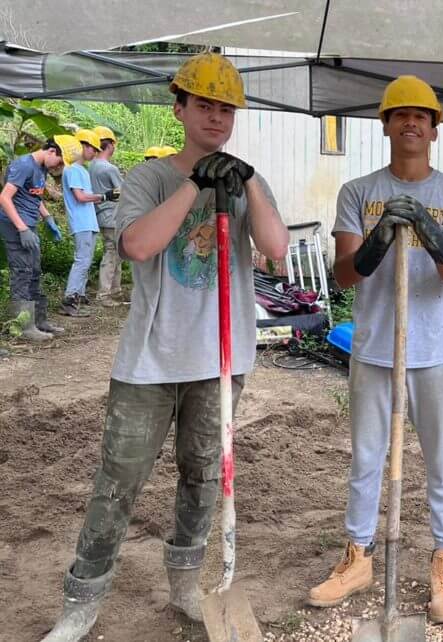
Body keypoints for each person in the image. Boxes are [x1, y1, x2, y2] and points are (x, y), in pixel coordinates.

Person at [41, 52, 289, 642]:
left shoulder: (246, 180)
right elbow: (138, 246)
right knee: (119, 477)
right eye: (204, 104)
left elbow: (277, 246)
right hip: (150, 360)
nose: (216, 116)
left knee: (204, 475)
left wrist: (247, 181)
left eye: (226, 108)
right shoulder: (149, 178)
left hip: (221, 360)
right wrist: (195, 185)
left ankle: (184, 579)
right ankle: (83, 599)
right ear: (179, 109)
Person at [308, 75, 443, 626]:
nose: (411, 122)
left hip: (433, 351)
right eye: (400, 114)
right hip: (375, 346)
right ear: (384, 124)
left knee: (442, 459)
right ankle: (358, 556)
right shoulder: (358, 192)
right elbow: (343, 275)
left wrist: (432, 233)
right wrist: (380, 236)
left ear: (435, 128)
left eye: (421, 115)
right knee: (366, 457)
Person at [1, 138, 65, 341]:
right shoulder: (23, 165)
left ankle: (39, 321)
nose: (60, 167)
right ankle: (23, 327)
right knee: (22, 272)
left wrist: (47, 217)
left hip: (30, 224)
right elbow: (4, 197)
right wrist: (21, 228)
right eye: (60, 161)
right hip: (15, 225)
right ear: (52, 151)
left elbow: (33, 197)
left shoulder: (41, 168)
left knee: (35, 270)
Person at [59, 128, 114, 316]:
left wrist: (104, 197)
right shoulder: (73, 169)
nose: (95, 152)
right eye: (92, 148)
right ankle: (70, 299)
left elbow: (88, 197)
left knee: (86, 260)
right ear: (82, 146)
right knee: (82, 261)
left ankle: (80, 297)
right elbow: (80, 197)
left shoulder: (82, 170)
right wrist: (104, 196)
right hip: (81, 222)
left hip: (88, 221)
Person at [89, 125, 126, 306]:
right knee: (112, 254)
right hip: (113, 216)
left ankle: (115, 291)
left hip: (100, 215)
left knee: (115, 253)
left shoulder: (91, 166)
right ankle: (104, 294)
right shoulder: (108, 169)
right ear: (110, 145)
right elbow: (124, 191)